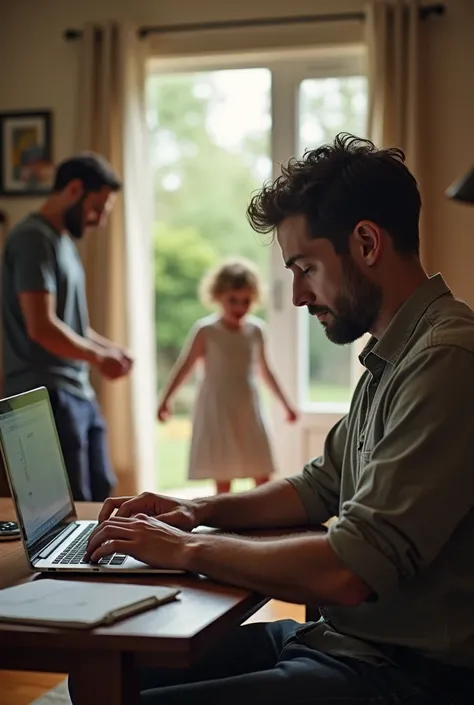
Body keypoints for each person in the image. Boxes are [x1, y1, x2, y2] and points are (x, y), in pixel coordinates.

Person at [75, 134, 474, 704]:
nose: (295, 295)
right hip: (340, 640)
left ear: (365, 243)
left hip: (405, 673)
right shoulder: (394, 355)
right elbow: (319, 485)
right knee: (104, 677)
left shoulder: (447, 360)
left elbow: (350, 569)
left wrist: (183, 549)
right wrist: (193, 510)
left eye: (305, 267)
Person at [1, 153, 133, 502]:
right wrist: (99, 359)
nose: (100, 220)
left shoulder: (63, 243)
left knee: (98, 495)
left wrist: (109, 351)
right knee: (67, 505)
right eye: (97, 207)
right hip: (45, 394)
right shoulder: (32, 239)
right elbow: (41, 327)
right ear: (73, 189)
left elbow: (74, 325)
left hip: (76, 390)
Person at [157, 258, 297, 494]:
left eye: (246, 301)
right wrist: (165, 399)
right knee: (223, 470)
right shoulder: (206, 331)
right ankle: (224, 519)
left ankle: (266, 515)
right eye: (233, 300)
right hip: (217, 406)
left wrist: (286, 404)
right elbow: (185, 367)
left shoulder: (256, 330)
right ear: (218, 295)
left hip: (247, 405)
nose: (240, 307)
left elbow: (266, 370)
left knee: (260, 467)